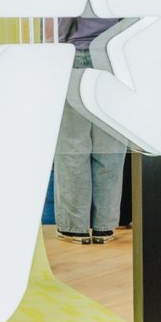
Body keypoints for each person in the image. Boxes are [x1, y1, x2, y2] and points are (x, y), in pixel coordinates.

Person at [52, 14, 126, 244]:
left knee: (73, 145)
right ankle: (104, 225)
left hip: (76, 56)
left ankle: (75, 227)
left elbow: (63, 21)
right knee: (110, 146)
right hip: (113, 59)